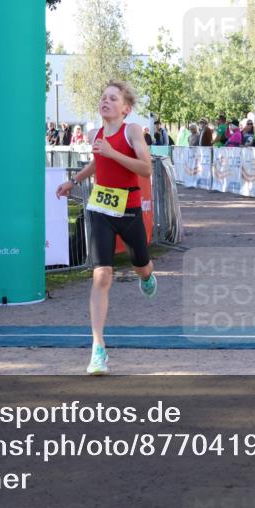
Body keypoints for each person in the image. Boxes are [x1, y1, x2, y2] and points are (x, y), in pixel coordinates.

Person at [55, 80, 157, 376]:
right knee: (102, 275)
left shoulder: (132, 131)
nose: (106, 101)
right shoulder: (96, 134)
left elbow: (146, 169)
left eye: (113, 98)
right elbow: (98, 164)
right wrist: (73, 181)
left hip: (129, 208)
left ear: (125, 108)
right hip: (101, 207)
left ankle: (147, 275)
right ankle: (98, 347)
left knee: (141, 264)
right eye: (103, 97)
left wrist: (112, 153)